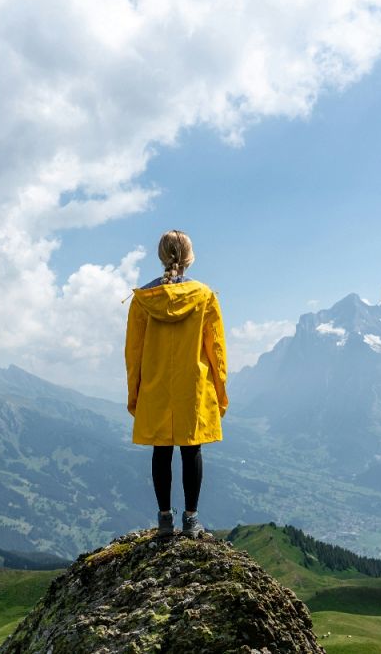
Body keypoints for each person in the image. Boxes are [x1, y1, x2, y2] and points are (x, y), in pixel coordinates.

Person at [124, 229, 228, 538]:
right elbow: (217, 351)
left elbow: (133, 352)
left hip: (156, 384)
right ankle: (192, 519)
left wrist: (135, 393)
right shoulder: (205, 296)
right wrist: (220, 392)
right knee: (191, 449)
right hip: (193, 386)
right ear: (189, 259)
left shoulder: (143, 300)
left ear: (161, 256)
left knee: (161, 449)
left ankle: (165, 520)